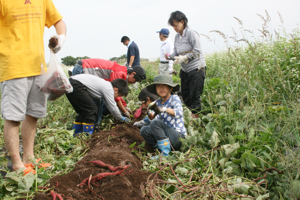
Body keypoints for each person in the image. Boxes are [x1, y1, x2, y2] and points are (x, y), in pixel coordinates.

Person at [0, 0, 66, 175]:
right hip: (13, 65)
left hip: (38, 66)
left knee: (33, 114)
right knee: (14, 117)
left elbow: (59, 22)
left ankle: (29, 159)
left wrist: (61, 38)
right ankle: (16, 164)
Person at [71, 58, 146, 118]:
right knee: (91, 105)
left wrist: (125, 106)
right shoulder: (118, 73)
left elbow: (117, 94)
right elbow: (114, 95)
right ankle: (90, 124)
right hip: (82, 69)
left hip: (83, 68)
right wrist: (124, 111)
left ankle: (93, 121)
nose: (134, 83)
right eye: (135, 80)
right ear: (133, 74)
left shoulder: (122, 71)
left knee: (95, 104)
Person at [166, 11, 206, 118]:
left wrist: (185, 57)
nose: (174, 28)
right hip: (185, 70)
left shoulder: (191, 33)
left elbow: (197, 51)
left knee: (194, 94)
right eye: (173, 26)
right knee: (185, 93)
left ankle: (196, 117)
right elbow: (176, 52)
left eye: (176, 25)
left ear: (182, 22)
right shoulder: (177, 37)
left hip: (196, 68)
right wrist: (170, 56)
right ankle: (189, 115)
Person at [66, 74, 130, 136]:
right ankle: (87, 136)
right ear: (116, 89)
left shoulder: (106, 86)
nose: (116, 97)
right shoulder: (109, 89)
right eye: (118, 95)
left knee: (83, 111)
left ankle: (77, 134)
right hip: (76, 84)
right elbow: (112, 107)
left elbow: (107, 104)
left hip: (71, 83)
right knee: (91, 110)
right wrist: (121, 118)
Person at [140, 74, 186, 158]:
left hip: (177, 137)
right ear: (155, 89)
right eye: (158, 86)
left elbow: (179, 113)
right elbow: (153, 120)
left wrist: (164, 109)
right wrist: (149, 112)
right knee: (144, 130)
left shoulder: (174, 98)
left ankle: (165, 154)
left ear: (170, 88)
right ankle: (161, 148)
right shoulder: (157, 102)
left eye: (164, 86)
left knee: (155, 123)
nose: (161, 88)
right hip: (166, 137)